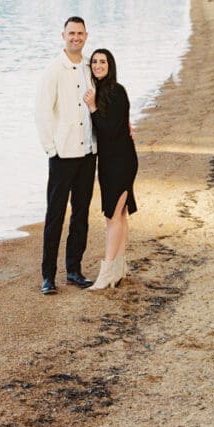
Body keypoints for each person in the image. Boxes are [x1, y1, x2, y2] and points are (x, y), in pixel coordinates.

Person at [35, 16, 97, 294]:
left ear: (86, 36)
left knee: (81, 214)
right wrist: (52, 148)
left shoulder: (89, 67)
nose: (76, 38)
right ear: (63, 36)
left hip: (87, 152)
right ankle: (48, 276)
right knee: (55, 215)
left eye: (80, 33)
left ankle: (74, 269)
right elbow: (42, 112)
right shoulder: (53, 71)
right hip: (62, 154)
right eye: (71, 33)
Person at [83, 48, 138, 290]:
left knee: (112, 218)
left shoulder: (115, 91)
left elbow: (109, 130)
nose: (97, 65)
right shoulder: (104, 91)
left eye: (102, 61)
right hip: (110, 160)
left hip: (121, 161)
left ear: (110, 65)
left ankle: (106, 273)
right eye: (94, 62)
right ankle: (119, 269)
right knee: (120, 216)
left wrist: (93, 108)